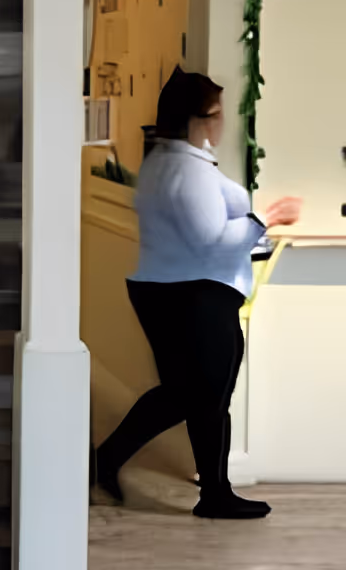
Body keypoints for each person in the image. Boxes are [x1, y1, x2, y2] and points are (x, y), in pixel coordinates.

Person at [93, 68, 302, 520]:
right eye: (216, 114)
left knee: (185, 394)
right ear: (197, 119)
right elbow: (208, 240)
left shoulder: (167, 163)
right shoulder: (186, 171)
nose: (220, 123)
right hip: (193, 294)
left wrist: (252, 236)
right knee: (206, 396)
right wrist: (266, 218)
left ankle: (105, 461)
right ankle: (215, 494)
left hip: (175, 289)